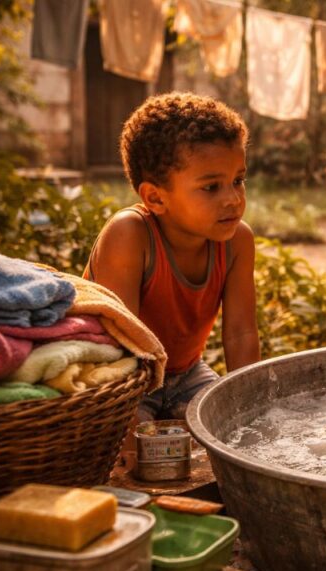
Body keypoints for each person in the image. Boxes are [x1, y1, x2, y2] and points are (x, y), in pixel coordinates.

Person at [85, 92, 260, 422]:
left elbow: (241, 333)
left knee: (233, 426)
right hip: (118, 377)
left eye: (238, 180)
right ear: (155, 197)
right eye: (211, 187)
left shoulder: (237, 240)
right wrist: (125, 422)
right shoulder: (131, 235)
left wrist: (249, 407)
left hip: (186, 375)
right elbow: (117, 345)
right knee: (130, 441)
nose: (234, 199)